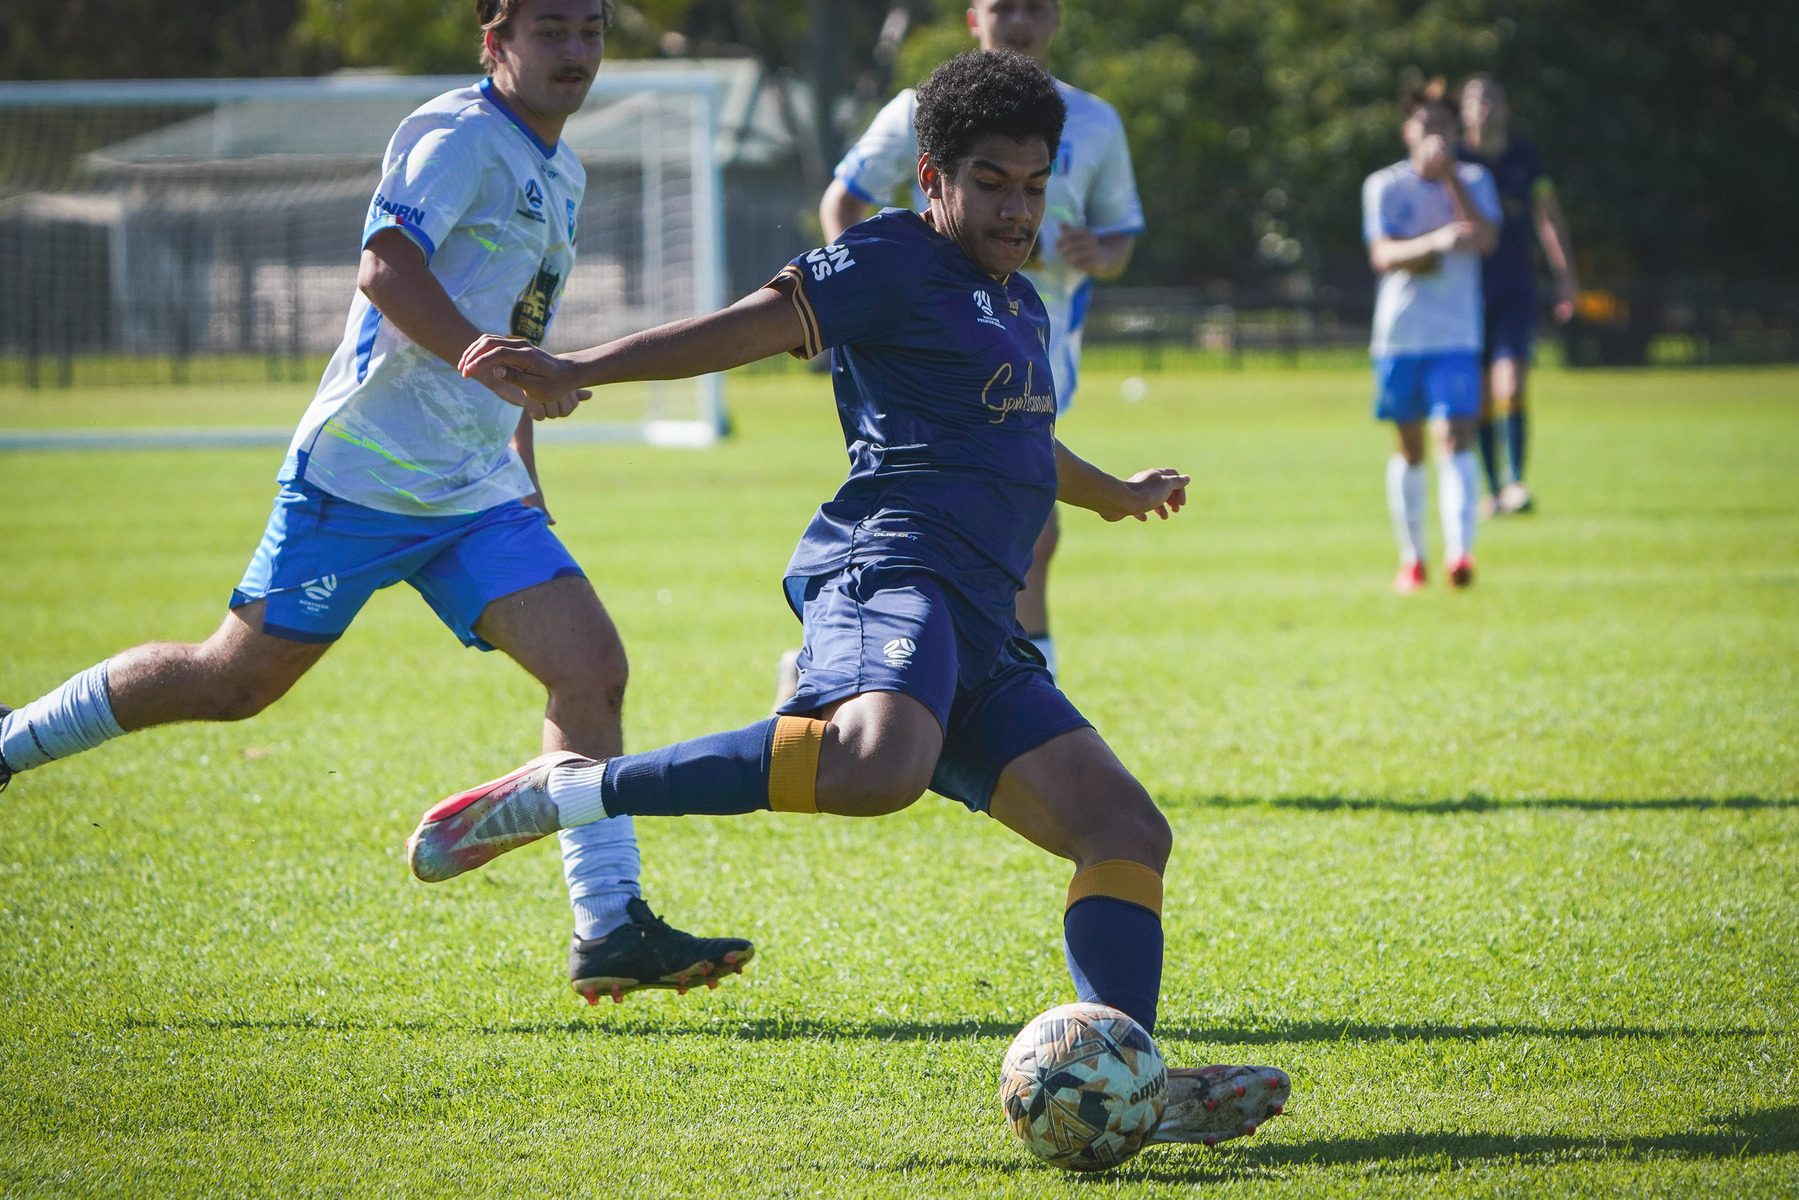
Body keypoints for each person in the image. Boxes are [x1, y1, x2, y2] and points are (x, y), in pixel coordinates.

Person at [408, 50, 1290, 1146]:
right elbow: (743, 325)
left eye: (1033, 182)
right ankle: (575, 792)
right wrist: (580, 361)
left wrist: (1109, 494)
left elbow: (1012, 433)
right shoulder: (886, 257)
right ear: (932, 176)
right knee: (877, 768)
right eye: (990, 181)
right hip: (891, 568)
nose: (1016, 207)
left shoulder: (1012, 300)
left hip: (981, 619)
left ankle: (1125, 1081)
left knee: (1123, 829)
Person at [0, 0, 751, 1005]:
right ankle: (8, 743)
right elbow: (384, 266)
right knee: (232, 684)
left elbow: (515, 334)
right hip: (360, 475)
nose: (575, 52)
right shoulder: (454, 136)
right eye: (550, 31)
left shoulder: (558, 170)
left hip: (475, 491)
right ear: (497, 44)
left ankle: (608, 926)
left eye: (588, 31)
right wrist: (479, 357)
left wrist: (521, 461)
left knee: (591, 671)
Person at [802, 0, 1143, 684]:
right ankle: (1020, 688)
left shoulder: (1096, 121)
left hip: (1038, 354)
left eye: (1035, 7)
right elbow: (844, 199)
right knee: (1022, 525)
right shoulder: (918, 108)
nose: (1018, 22)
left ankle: (873, 665)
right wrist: (861, 302)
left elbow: (1121, 241)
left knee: (1007, 529)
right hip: (937, 352)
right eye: (1002, 6)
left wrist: (1092, 251)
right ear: (970, 17)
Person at [1363, 80, 1500, 592]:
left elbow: (1485, 238)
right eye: (1427, 126)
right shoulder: (1384, 185)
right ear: (1408, 132)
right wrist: (1435, 243)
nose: (1435, 136)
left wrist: (1451, 184)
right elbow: (1383, 255)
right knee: (1411, 448)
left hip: (1456, 335)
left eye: (1444, 127)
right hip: (1399, 337)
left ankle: (1461, 553)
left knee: (1455, 436)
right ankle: (1413, 556)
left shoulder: (1475, 179)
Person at [1458, 74, 1579, 518]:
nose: (1484, 106)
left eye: (1492, 97)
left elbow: (1547, 216)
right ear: (1464, 110)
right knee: (1482, 394)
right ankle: (1491, 491)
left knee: (1512, 380)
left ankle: (1515, 482)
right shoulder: (1456, 158)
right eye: (1475, 100)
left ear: (1506, 107)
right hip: (1467, 291)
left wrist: (1566, 276)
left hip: (1516, 285)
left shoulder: (1525, 158)